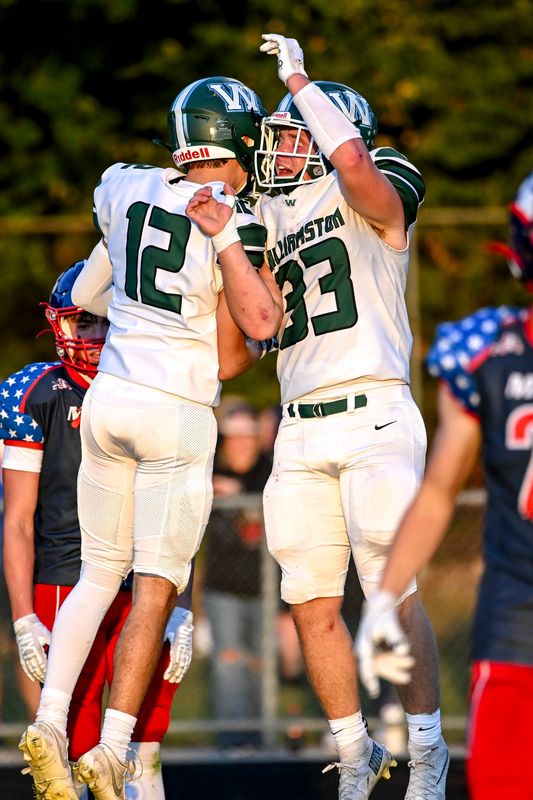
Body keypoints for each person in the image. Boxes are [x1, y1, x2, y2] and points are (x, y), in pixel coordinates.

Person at [186, 32, 447, 800]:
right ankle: (354, 752)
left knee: (390, 591)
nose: (282, 147)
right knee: (309, 600)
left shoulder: (377, 180)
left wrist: (299, 80)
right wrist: (229, 237)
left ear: (335, 128)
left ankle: (427, 748)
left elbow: (356, 167)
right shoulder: (268, 212)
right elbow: (255, 330)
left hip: (374, 410)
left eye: (298, 131)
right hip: (299, 421)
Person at [18, 76, 282, 800]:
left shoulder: (123, 185)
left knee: (99, 575)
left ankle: (44, 722)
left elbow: (84, 297)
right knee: (153, 590)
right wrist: (231, 243)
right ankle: (108, 749)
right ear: (233, 141)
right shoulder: (239, 214)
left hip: (110, 399)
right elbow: (253, 332)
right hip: (175, 408)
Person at [355, 170, 533, 800]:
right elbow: (437, 494)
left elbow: (437, 494)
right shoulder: (487, 353)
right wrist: (383, 598)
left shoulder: (487, 348)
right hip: (517, 604)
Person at [1, 261, 196, 799]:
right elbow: (17, 519)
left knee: (142, 745)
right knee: (75, 743)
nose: (94, 334)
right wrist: (23, 616)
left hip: (145, 581)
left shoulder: (155, 385)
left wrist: (183, 599)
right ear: (59, 324)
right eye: (83, 322)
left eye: (106, 321)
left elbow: (180, 501)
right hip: (67, 576)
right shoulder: (34, 393)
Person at [201, 402, 273, 750]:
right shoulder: (208, 471)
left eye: (248, 437)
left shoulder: (271, 470)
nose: (242, 444)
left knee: (262, 662)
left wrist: (239, 494)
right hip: (223, 586)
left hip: (267, 588)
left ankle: (264, 736)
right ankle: (233, 739)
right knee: (230, 661)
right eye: (235, 437)